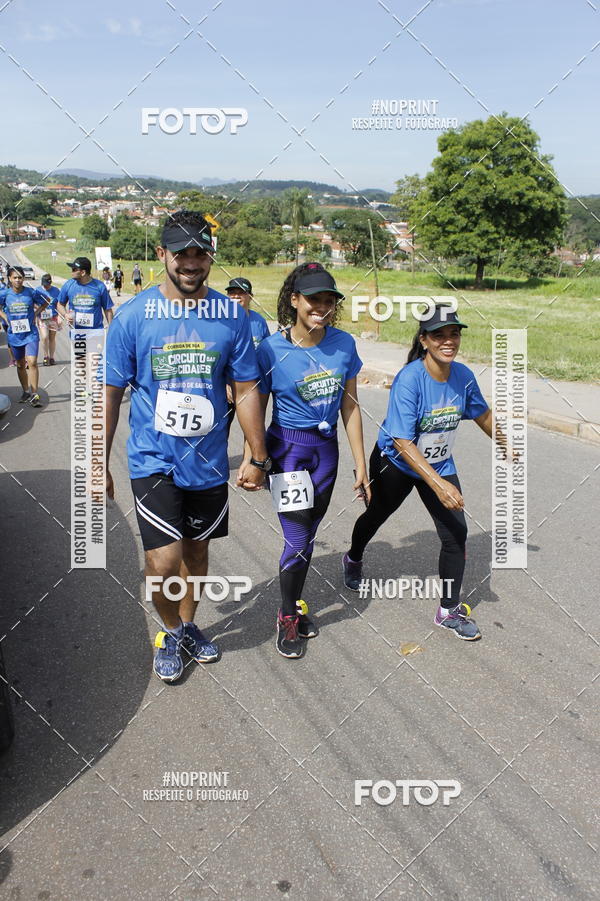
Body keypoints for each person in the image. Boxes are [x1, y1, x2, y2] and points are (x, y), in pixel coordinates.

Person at [104, 210, 269, 683]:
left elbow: (246, 391)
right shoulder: (134, 318)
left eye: (201, 253)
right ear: (162, 256)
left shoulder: (233, 318)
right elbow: (111, 393)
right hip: (153, 459)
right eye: (182, 254)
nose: (192, 262)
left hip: (209, 463)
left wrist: (257, 457)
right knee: (164, 562)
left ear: (210, 257)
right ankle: (170, 628)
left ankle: (189, 625)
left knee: (197, 555)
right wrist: (98, 461)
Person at [343, 304, 510, 641]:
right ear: (424, 340)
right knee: (376, 515)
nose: (448, 341)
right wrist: (439, 486)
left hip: (439, 463)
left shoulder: (462, 376)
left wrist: (508, 443)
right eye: (439, 335)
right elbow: (403, 441)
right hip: (396, 463)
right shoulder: (410, 379)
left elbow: (482, 414)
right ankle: (354, 556)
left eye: (454, 334)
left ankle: (448, 611)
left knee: (456, 534)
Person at [249, 262, 370, 659]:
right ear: (294, 300)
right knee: (298, 539)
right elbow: (255, 407)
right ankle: (287, 614)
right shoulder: (271, 349)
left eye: (328, 300)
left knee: (310, 537)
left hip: (326, 453)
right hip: (288, 450)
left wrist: (361, 463)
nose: (321, 307)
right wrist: (255, 457)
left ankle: (294, 602)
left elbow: (350, 406)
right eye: (313, 299)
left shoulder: (344, 345)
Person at [224, 277, 270, 436]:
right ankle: (218, 461)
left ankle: (252, 459)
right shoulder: (221, 321)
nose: (236, 297)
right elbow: (216, 357)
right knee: (221, 429)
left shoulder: (259, 322)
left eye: (240, 293)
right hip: (229, 386)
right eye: (232, 293)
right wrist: (224, 383)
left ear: (250, 296)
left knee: (253, 429)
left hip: (253, 386)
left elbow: (267, 355)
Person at [0, 266, 49, 406]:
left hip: (30, 333)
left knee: (32, 362)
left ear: (23, 278)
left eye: (20, 277)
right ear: (9, 279)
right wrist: (5, 317)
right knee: (20, 364)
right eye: (14, 278)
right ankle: (26, 391)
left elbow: (46, 301)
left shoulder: (31, 292)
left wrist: (36, 313)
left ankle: (34, 394)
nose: (17, 280)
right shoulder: (5, 294)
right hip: (14, 335)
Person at [57, 257, 114, 330]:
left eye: (74, 270)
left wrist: (112, 328)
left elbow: (107, 309)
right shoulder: (68, 285)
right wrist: (65, 315)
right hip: (76, 332)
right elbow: (60, 304)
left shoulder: (100, 286)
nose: (72, 272)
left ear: (83, 272)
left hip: (96, 332)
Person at [36, 273, 61, 365]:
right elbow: (33, 302)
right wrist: (39, 309)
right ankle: (45, 356)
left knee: (52, 338)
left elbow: (59, 304)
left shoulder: (56, 291)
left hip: (53, 317)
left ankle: (51, 357)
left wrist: (59, 316)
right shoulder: (38, 290)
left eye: (47, 285)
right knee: (44, 337)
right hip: (42, 317)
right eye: (44, 285)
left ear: (50, 282)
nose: (45, 287)